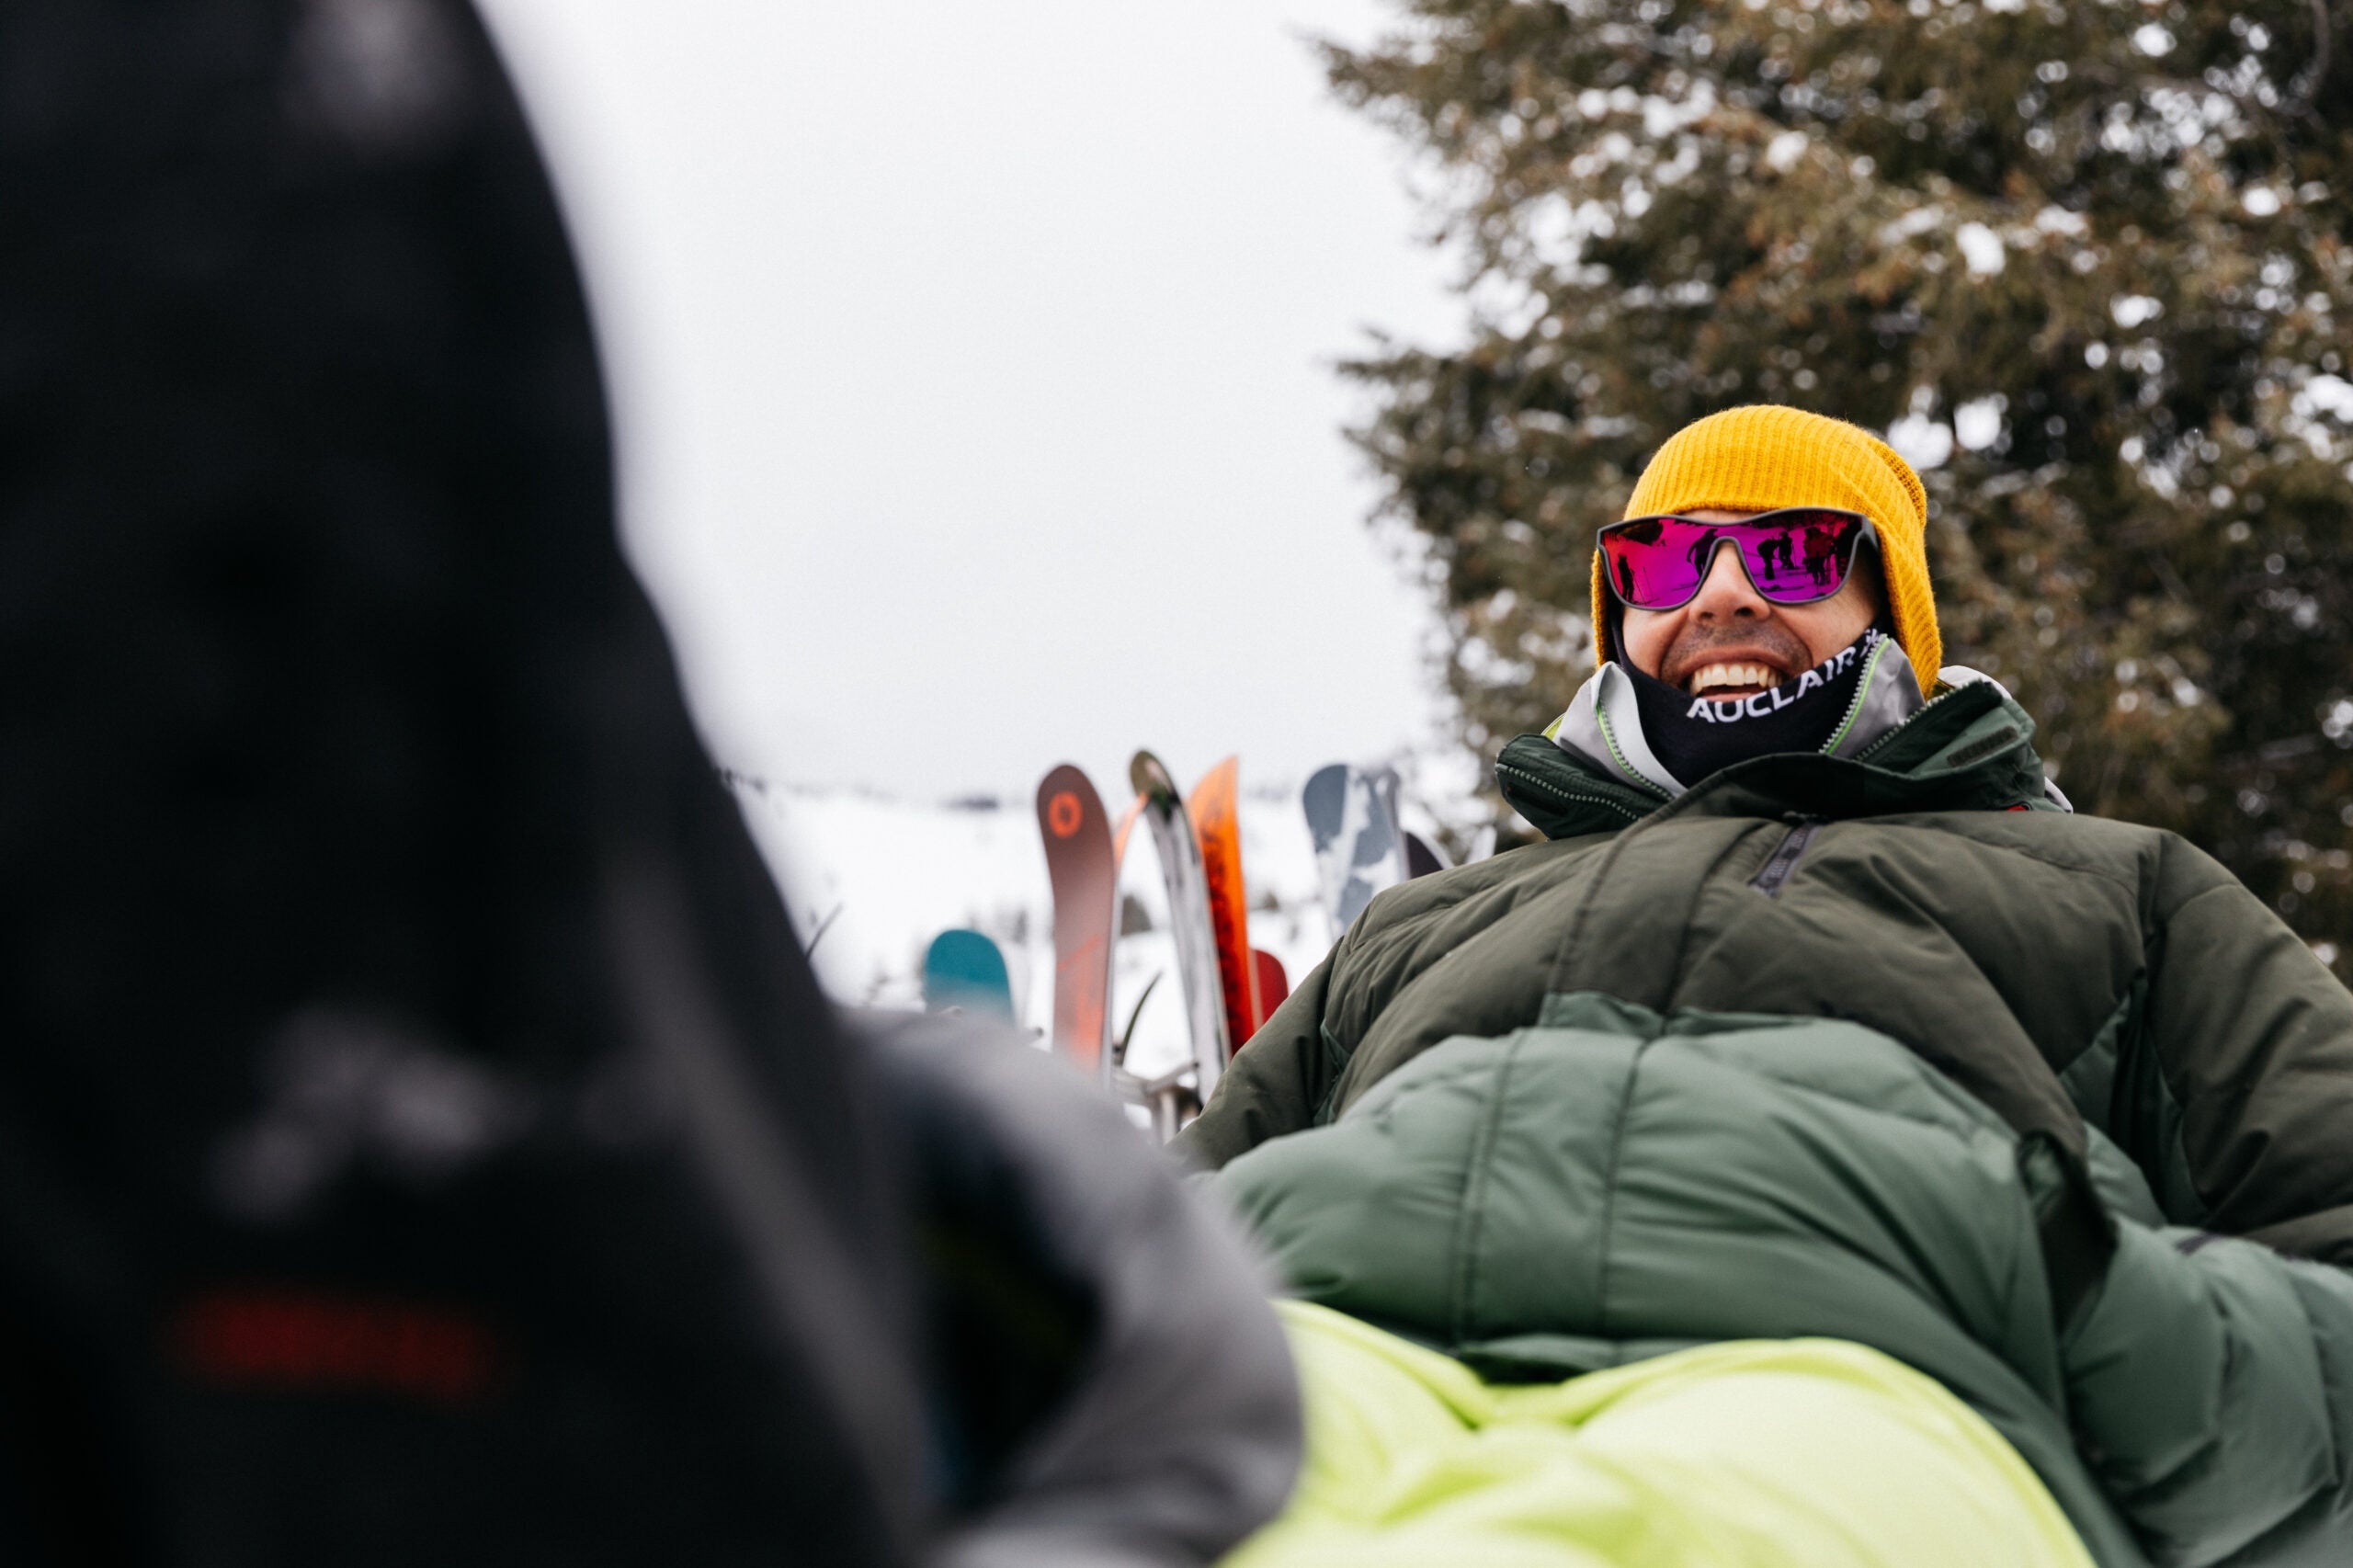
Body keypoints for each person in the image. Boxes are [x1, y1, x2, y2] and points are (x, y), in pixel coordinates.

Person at [0, 3, 1295, 1563]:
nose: (1687, 597)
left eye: (1697, 553)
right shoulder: (1448, 926)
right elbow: (1295, 1170)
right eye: (1658, 555)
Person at [1180, 405, 2353, 1567]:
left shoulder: (2123, 893)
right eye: (1666, 558)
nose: (1723, 593)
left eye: (1791, 553)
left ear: (1891, 609)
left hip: (1860, 1360)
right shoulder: (1416, 925)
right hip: (1334, 1349)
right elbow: (1148, 1242)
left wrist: (2078, 1314)